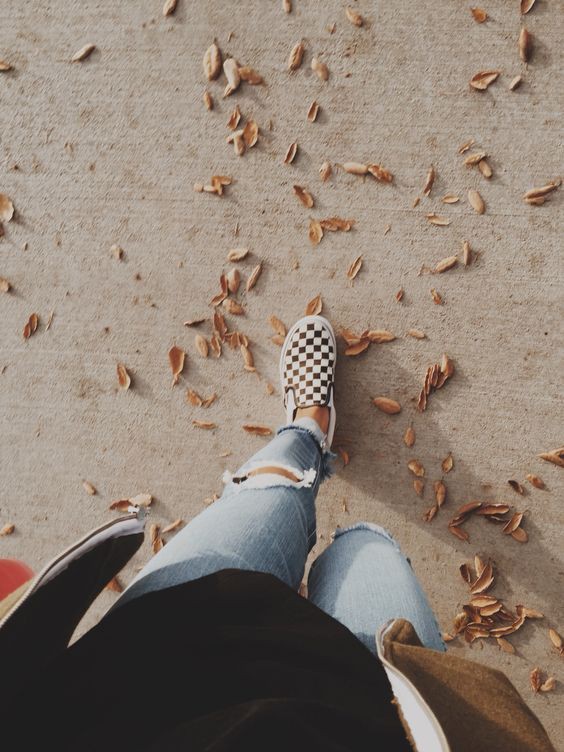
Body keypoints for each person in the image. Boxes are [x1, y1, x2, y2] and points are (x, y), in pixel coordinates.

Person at [0, 316, 555, 752]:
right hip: (386, 711)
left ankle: (308, 428)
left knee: (270, 490)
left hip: (161, 653)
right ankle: (314, 462)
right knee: (366, 548)